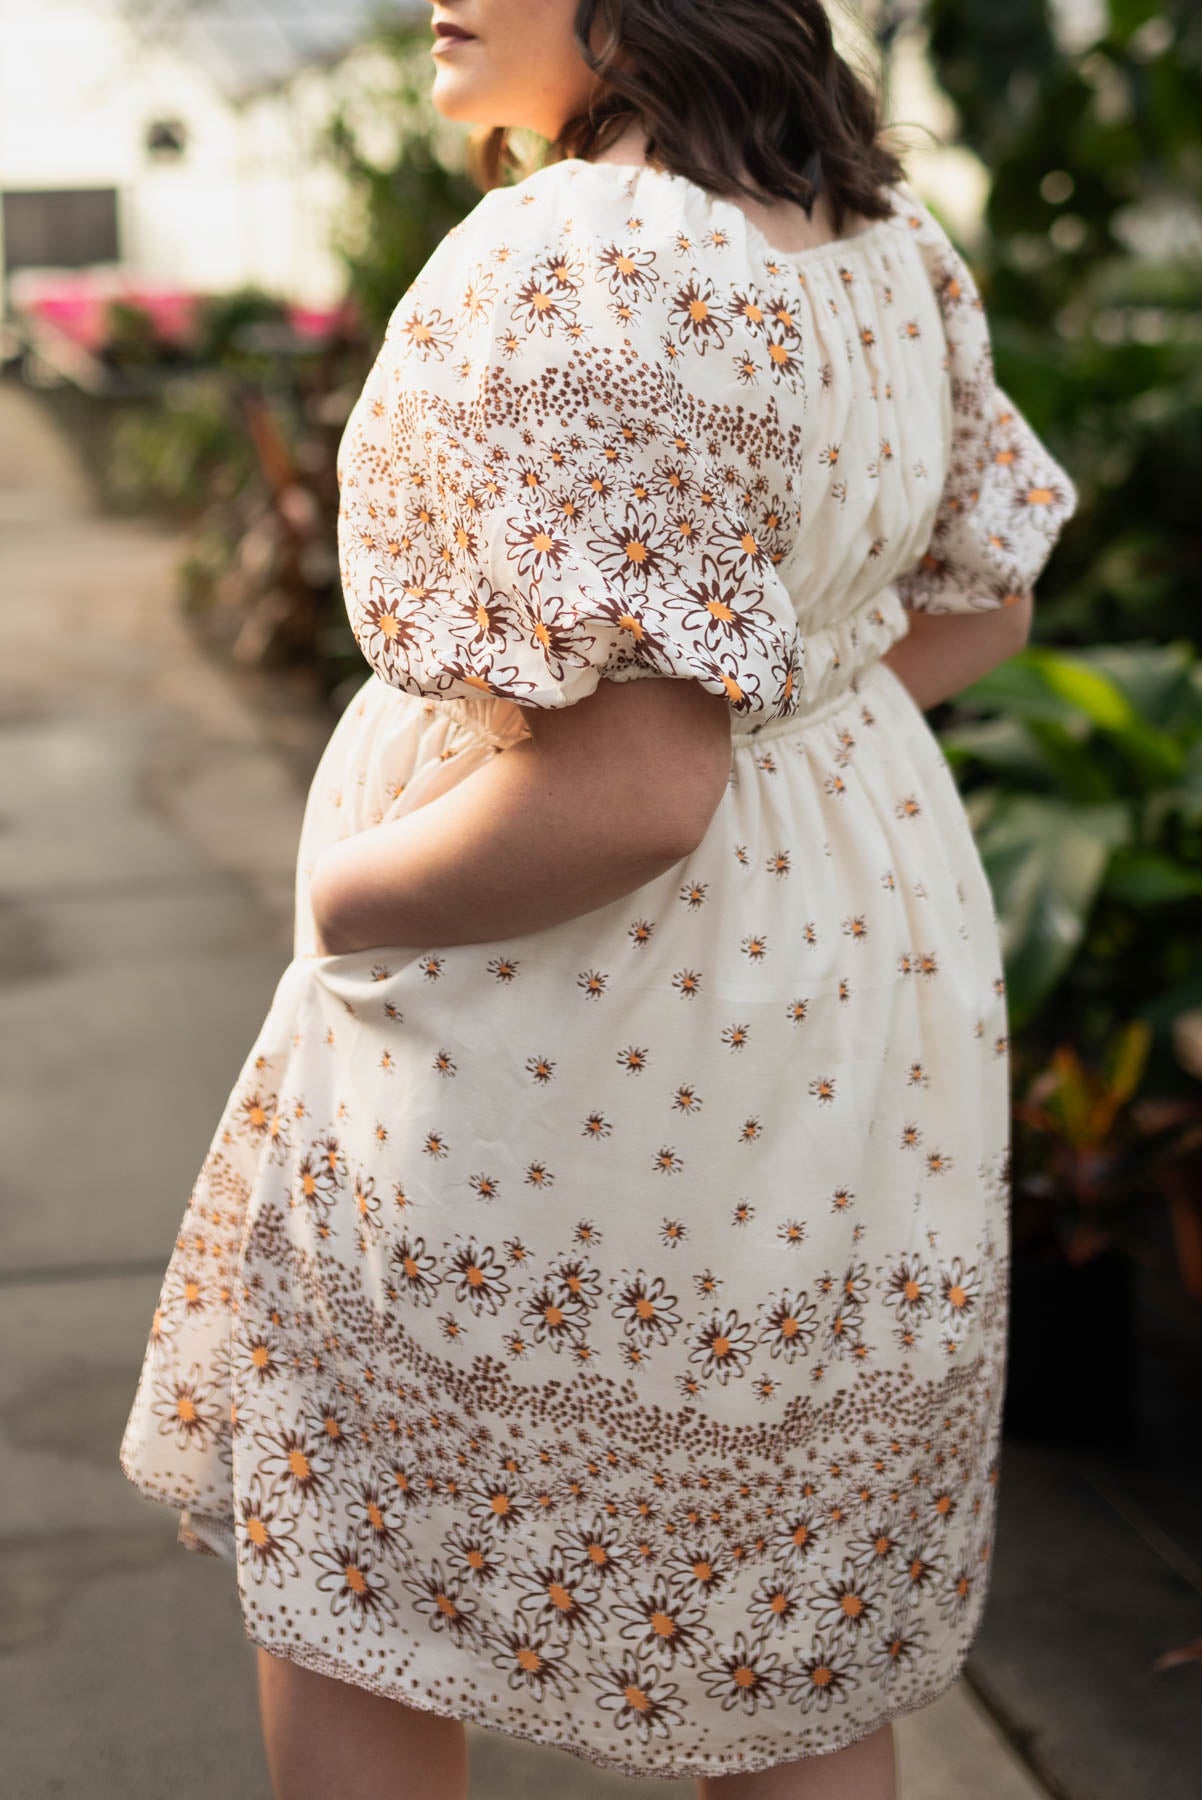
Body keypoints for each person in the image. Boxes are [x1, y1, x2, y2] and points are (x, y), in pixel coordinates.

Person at [118, 2, 1077, 1796]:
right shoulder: (875, 237)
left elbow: (635, 789)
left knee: (370, 1573)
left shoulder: (593, 246)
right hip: (851, 968)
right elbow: (978, 604)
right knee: (789, 1625)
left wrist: (343, 898)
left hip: (590, 997)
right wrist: (782, 728)